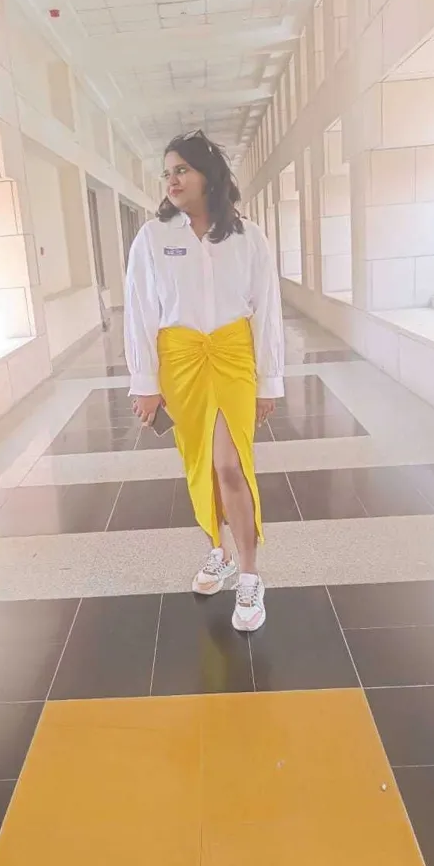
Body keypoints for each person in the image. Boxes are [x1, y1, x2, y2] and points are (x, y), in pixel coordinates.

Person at [124, 130, 284, 631]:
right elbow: (139, 310)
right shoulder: (153, 237)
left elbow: (267, 310)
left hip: (234, 357)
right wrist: (145, 380)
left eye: (182, 170)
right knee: (202, 465)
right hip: (180, 362)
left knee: (230, 464)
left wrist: (269, 381)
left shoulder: (248, 237)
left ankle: (250, 576)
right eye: (167, 172)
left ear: (207, 176)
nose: (172, 180)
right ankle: (220, 550)